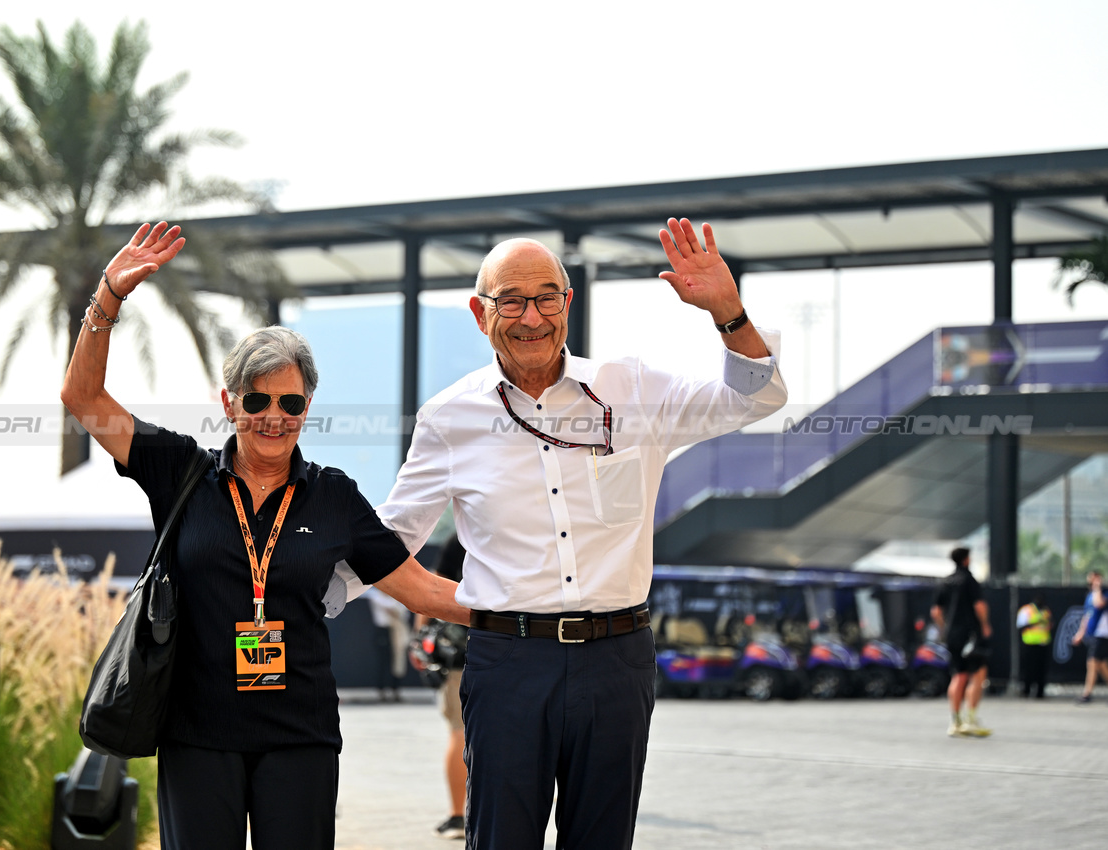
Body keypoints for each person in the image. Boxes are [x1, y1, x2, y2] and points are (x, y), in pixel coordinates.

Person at [374, 217, 787, 849]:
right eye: (511, 300)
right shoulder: (449, 417)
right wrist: (446, 599)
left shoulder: (632, 389)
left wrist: (727, 313)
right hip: (507, 662)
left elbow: (755, 400)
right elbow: (389, 540)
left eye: (546, 298)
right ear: (480, 313)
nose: (531, 316)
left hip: (616, 660)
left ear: (568, 303)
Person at [60, 222, 468, 850]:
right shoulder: (180, 471)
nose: (274, 416)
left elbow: (421, 589)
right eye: (257, 400)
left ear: (308, 405)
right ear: (229, 402)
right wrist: (108, 297)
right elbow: (82, 397)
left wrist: (531, 611)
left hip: (299, 739)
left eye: (292, 402)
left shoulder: (333, 496)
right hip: (196, 736)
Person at [412, 535, 469, 840]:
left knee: (459, 733)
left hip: (461, 651)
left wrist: (419, 639)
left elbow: (432, 589)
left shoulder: (459, 537)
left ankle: (459, 817)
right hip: (516, 645)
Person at [930, 547, 992, 738]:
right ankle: (970, 719)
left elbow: (936, 612)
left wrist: (945, 629)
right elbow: (979, 606)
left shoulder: (946, 581)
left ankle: (955, 721)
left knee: (958, 675)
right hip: (970, 634)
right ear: (966, 560)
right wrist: (985, 625)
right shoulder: (969, 580)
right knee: (978, 674)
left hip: (952, 636)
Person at [1071, 570, 1107, 704]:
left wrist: (1098, 588)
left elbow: (1099, 604)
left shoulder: (1103, 593)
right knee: (1101, 665)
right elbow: (1087, 616)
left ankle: (1087, 694)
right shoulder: (1089, 596)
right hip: (1092, 634)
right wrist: (1080, 634)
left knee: (1092, 663)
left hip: (1102, 635)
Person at [1015, 592, 1052, 698]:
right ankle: (1026, 690)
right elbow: (1021, 626)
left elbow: (1050, 624)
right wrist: (1036, 623)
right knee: (1029, 669)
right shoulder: (1026, 610)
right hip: (1030, 643)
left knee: (1041, 669)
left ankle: (1040, 692)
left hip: (1043, 643)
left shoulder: (1046, 611)